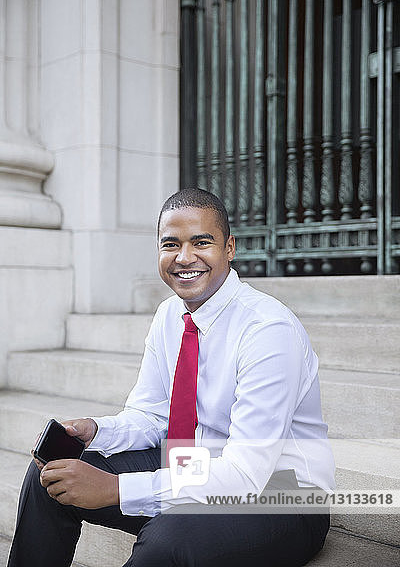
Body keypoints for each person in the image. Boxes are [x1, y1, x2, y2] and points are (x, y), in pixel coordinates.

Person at [7, 188, 335, 567]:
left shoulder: (268, 330)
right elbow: (151, 415)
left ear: (229, 248)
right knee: (52, 479)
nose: (184, 258)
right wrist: (97, 430)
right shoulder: (168, 316)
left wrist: (116, 489)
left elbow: (245, 474)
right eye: (170, 244)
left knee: (169, 539)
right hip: (194, 465)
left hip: (281, 495)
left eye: (201, 242)